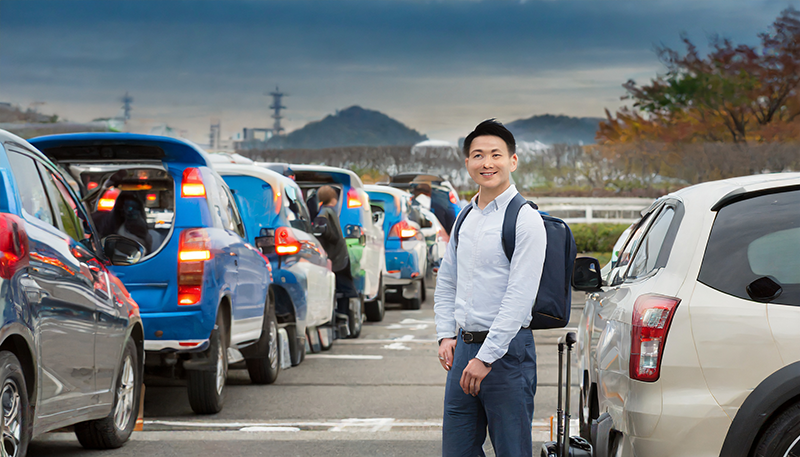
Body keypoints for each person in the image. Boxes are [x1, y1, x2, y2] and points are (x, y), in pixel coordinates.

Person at [434, 119, 547, 457]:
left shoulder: (525, 219)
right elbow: (447, 279)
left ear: (512, 161)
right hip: (464, 349)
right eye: (478, 155)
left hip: (507, 352)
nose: (487, 163)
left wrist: (486, 357)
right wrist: (445, 335)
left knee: (512, 450)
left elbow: (519, 297)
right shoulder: (465, 217)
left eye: (495, 155)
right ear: (467, 163)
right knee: (458, 450)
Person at [315, 185, 359, 332]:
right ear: (334, 198)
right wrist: (334, 239)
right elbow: (323, 232)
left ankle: (343, 319)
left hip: (336, 257)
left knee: (342, 289)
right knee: (345, 290)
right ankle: (343, 320)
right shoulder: (326, 213)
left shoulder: (324, 212)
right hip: (337, 258)